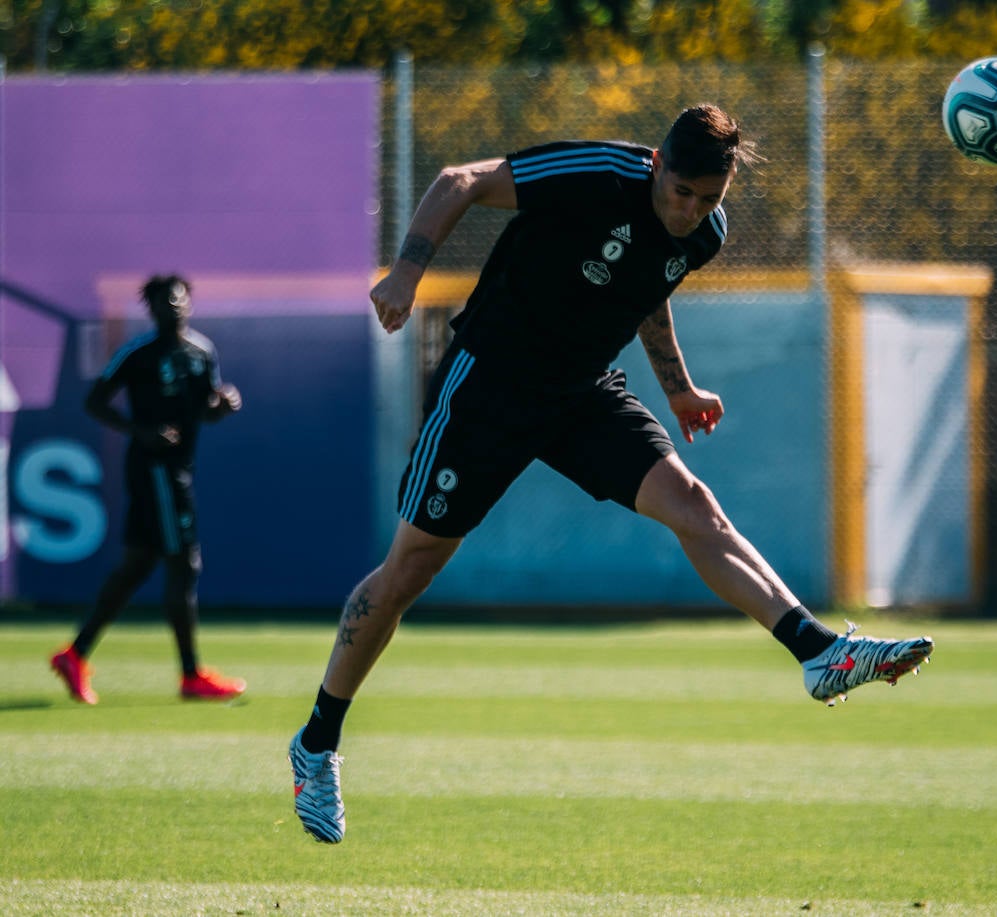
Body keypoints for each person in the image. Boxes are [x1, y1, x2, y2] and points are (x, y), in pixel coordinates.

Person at [288, 104, 933, 844]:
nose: (691, 212)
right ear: (657, 164)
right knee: (409, 570)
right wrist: (406, 270)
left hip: (582, 391)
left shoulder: (703, 235)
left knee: (694, 504)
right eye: (682, 193)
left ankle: (818, 650)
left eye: (708, 200)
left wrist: (679, 387)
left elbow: (645, 287)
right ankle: (317, 742)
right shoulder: (597, 175)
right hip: (489, 383)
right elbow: (458, 179)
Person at [49, 274, 247, 705]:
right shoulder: (138, 354)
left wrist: (223, 404)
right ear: (151, 310)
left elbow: (205, 412)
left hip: (179, 468)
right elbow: (95, 401)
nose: (172, 308)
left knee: (137, 567)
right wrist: (141, 431)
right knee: (185, 563)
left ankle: (74, 654)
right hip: (154, 471)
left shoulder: (201, 352)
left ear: (189, 303)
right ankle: (192, 675)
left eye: (178, 300)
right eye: (162, 303)